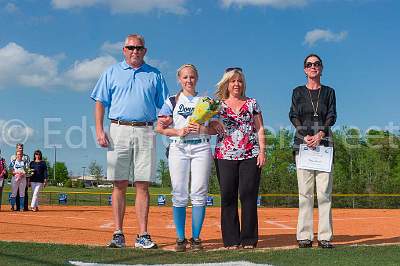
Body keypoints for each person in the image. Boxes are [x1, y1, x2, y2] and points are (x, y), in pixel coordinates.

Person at [91, 34, 169, 249]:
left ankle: (142, 235)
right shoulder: (111, 72)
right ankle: (118, 233)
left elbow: (165, 107)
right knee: (119, 183)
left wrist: (168, 118)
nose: (135, 51)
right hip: (118, 130)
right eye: (130, 47)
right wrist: (99, 129)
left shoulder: (155, 75)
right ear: (123, 50)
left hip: (145, 130)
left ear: (145, 50)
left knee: (143, 184)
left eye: (139, 48)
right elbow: (100, 102)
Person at [156, 64, 212, 252]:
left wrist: (204, 129)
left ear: (197, 78)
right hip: (178, 148)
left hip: (201, 147)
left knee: (199, 192)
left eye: (192, 77)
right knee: (179, 192)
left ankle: (195, 238)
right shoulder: (172, 100)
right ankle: (180, 239)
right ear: (179, 79)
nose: (189, 80)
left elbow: (216, 128)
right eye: (185, 77)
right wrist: (178, 131)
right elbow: (160, 127)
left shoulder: (205, 101)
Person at [211, 67, 266, 249]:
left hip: (250, 154)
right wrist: (213, 122)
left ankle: (249, 239)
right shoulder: (217, 105)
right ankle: (231, 240)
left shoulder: (252, 103)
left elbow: (259, 128)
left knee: (248, 195)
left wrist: (262, 151)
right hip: (224, 155)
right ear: (226, 84)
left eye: (240, 81)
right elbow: (206, 122)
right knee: (227, 196)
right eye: (233, 81)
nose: (236, 84)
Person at [289, 54, 337, 249]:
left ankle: (325, 236)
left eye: (316, 64)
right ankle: (304, 236)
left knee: (324, 193)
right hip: (303, 145)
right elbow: (293, 115)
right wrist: (304, 134)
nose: (313, 67)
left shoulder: (329, 92)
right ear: (304, 69)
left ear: (322, 68)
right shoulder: (298, 92)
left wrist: (320, 133)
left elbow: (332, 115)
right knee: (305, 193)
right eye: (309, 65)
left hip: (324, 145)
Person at [10, 143, 30, 211]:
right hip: (15, 178)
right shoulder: (13, 161)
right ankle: (12, 206)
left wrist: (23, 173)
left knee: (22, 193)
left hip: (23, 178)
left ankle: (21, 207)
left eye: (21, 154)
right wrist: (17, 173)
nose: (20, 155)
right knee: (14, 193)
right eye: (18, 154)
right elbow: (11, 170)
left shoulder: (24, 162)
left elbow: (27, 170)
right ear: (16, 154)